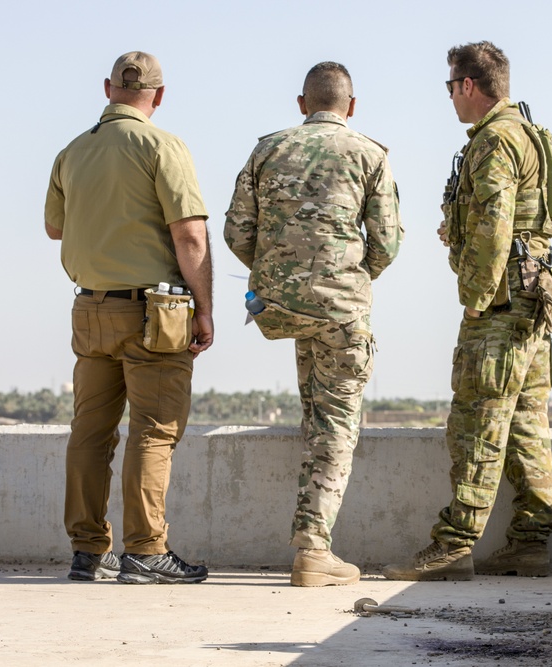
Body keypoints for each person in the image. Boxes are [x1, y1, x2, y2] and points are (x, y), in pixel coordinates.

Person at [384, 41, 552, 581]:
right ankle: (529, 540)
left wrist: (477, 298)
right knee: (527, 419)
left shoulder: (494, 140)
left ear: (467, 86)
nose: (450, 99)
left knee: (476, 419)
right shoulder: (529, 132)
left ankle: (454, 546)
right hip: (533, 298)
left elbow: (497, 224)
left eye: (450, 87)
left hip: (502, 303)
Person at [224, 62, 403, 587]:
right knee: (336, 426)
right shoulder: (369, 154)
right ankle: (313, 549)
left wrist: (282, 275)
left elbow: (238, 230)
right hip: (341, 309)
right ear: (352, 106)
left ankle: (313, 545)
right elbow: (387, 242)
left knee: (313, 411)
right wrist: (344, 278)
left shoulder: (268, 150)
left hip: (280, 307)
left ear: (303, 104)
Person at [44, 51, 213, 584]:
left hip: (89, 306)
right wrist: (205, 308)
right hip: (154, 312)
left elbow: (54, 228)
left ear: (107, 89)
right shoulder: (163, 145)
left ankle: (89, 551)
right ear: (158, 97)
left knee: (89, 432)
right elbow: (189, 234)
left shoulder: (72, 152)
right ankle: (146, 550)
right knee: (154, 430)